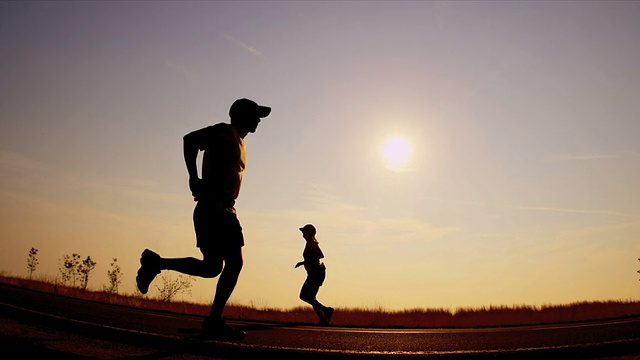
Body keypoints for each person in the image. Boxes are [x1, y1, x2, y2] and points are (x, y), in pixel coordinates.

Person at [135, 98, 271, 340]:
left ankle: (156, 263)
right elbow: (189, 140)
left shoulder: (239, 141)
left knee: (211, 267)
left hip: (220, 208)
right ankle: (214, 321)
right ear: (240, 116)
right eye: (255, 115)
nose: (259, 120)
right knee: (234, 263)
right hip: (216, 207)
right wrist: (192, 176)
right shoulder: (224, 131)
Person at [295, 224, 334, 325]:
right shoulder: (308, 243)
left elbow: (320, 255)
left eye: (304, 231)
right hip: (313, 273)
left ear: (309, 233)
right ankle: (323, 319)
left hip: (316, 273)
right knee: (311, 297)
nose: (302, 233)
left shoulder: (312, 243)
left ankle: (326, 310)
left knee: (305, 296)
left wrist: (305, 262)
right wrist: (303, 262)